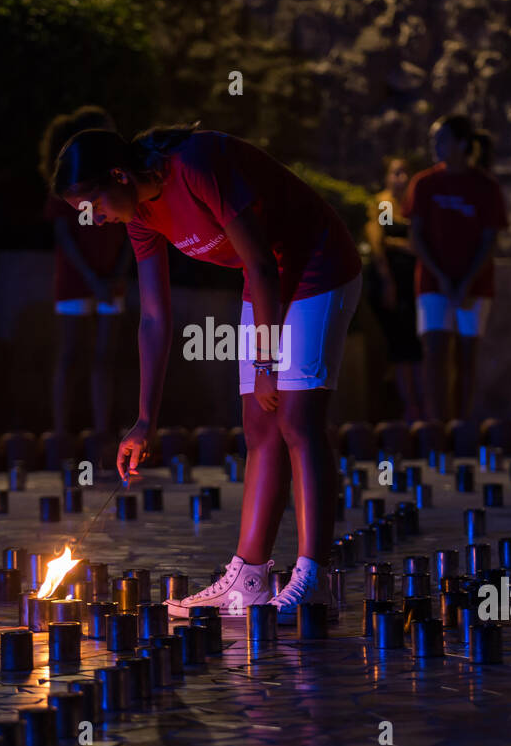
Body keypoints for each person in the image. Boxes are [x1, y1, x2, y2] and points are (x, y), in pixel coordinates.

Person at [52, 124, 362, 624]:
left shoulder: (195, 165)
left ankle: (313, 578)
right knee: (260, 426)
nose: (95, 218)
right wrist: (143, 420)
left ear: (118, 174)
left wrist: (265, 362)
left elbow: (259, 261)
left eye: (94, 203)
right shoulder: (141, 216)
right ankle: (251, 579)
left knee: (297, 422)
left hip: (317, 267)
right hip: (263, 280)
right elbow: (154, 316)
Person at [403, 115, 506, 422]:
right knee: (434, 354)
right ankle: (437, 428)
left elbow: (490, 239)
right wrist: (442, 277)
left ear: (462, 144)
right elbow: (416, 235)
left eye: (442, 139)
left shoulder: (485, 186)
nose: (436, 145)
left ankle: (462, 426)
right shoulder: (424, 183)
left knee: (466, 356)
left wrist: (465, 282)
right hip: (434, 285)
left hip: (474, 285)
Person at [39, 107, 131, 444]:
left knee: (106, 355)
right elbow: (63, 235)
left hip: (112, 278)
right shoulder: (69, 180)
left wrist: (117, 274)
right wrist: (93, 280)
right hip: (78, 279)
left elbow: (130, 229)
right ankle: (62, 432)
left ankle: (102, 431)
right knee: (70, 353)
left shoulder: (119, 179)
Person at [363, 156, 423, 421]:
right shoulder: (384, 203)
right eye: (395, 173)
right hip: (391, 280)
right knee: (399, 344)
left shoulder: (411, 204)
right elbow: (380, 242)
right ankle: (407, 406)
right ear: (387, 176)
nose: (400, 178)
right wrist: (388, 280)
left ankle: (414, 405)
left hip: (411, 281)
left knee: (411, 343)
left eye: (404, 173)